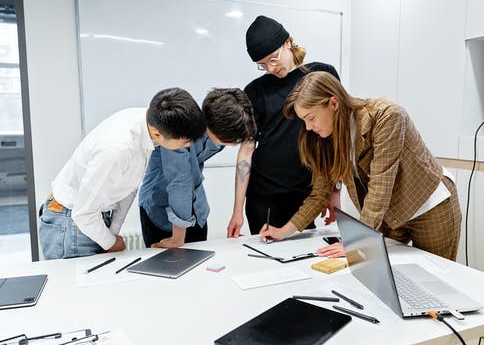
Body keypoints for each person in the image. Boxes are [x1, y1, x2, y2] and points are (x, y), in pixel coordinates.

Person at [260, 71, 461, 261]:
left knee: (435, 281)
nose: (308, 127)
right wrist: (283, 231)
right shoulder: (324, 137)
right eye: (304, 121)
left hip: (430, 207)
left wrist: (356, 243)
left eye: (311, 118)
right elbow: (319, 194)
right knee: (383, 276)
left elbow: (380, 187)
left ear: (334, 103)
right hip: (389, 217)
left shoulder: (387, 116)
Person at [38, 88, 206, 259]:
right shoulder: (116, 149)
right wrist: (111, 242)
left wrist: (113, 232)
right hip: (72, 222)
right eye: (184, 142)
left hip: (93, 217)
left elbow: (129, 186)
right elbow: (83, 213)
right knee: (82, 284)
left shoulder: (147, 125)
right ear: (158, 134)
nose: (187, 146)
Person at [227, 15, 340, 238]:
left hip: (308, 193)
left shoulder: (322, 75)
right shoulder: (255, 90)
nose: (270, 68)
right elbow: (247, 150)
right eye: (262, 65)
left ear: (288, 42)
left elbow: (334, 138)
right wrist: (237, 209)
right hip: (264, 196)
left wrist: (333, 191)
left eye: (274, 59)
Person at [139, 88, 256, 248]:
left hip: (196, 209)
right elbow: (180, 182)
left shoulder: (217, 121)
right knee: (169, 268)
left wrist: (237, 212)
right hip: (160, 208)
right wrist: (177, 239)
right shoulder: (179, 129)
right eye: (232, 140)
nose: (234, 143)